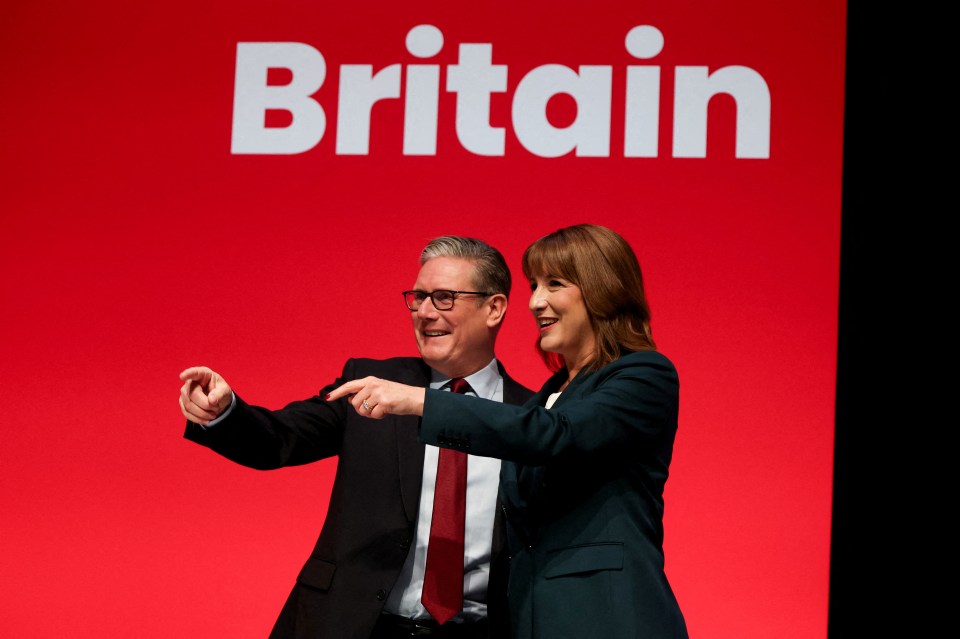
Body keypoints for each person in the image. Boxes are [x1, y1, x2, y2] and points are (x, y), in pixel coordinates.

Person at [328, 224, 689, 638]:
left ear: (603, 289)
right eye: (534, 286)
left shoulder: (644, 374)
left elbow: (559, 434)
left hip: (608, 618)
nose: (535, 302)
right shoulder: (545, 399)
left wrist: (422, 401)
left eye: (554, 284)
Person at [178, 235, 535, 639]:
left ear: (494, 308)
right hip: (353, 626)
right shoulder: (371, 383)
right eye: (418, 297)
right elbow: (279, 439)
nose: (424, 312)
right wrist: (224, 411)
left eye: (444, 298)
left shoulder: (531, 418)